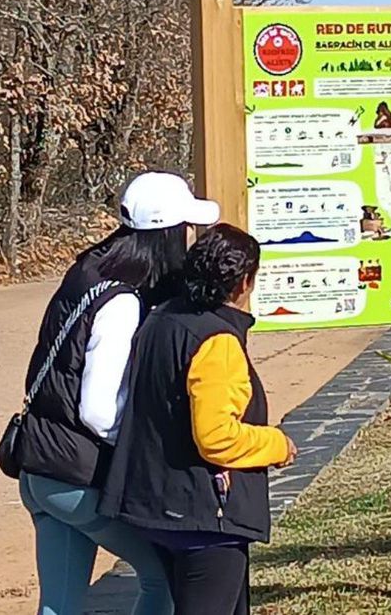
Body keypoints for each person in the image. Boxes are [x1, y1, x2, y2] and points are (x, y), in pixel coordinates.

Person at [14, 171, 220, 615]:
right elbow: (98, 411)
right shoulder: (122, 302)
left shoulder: (90, 271)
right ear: (167, 234)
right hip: (78, 475)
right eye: (187, 228)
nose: (191, 238)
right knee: (162, 576)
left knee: (59, 606)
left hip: (43, 471)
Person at [101, 224, 297, 615]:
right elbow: (216, 436)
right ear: (244, 282)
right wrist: (276, 444)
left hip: (157, 503)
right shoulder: (217, 341)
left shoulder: (160, 318)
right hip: (205, 517)